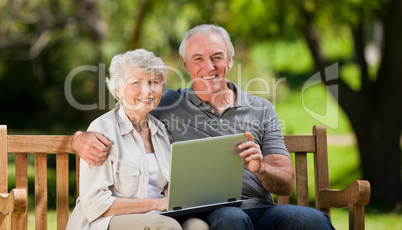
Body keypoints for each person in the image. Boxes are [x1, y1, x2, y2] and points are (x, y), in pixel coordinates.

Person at [72, 25, 335, 230]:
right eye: (198, 59)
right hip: (207, 210)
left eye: (217, 57)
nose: (208, 67)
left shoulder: (261, 109)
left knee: (311, 220)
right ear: (185, 66)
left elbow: (286, 184)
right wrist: (80, 138)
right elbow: (128, 110)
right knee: (230, 218)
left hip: (261, 208)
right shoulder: (167, 105)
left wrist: (261, 167)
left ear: (230, 60)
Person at [66, 49, 209, 230]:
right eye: (136, 82)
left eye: (153, 82)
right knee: (166, 226)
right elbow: (95, 204)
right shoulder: (102, 130)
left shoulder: (161, 131)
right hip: (108, 221)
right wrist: (156, 204)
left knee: (198, 226)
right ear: (118, 90)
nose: (147, 90)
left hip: (158, 217)